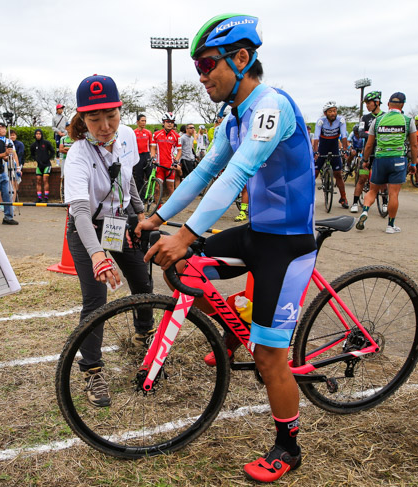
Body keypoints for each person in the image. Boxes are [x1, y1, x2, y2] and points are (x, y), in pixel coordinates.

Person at [137, 14, 316, 482]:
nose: (201, 77)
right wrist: (157, 217)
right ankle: (237, 328)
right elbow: (203, 173)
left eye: (207, 65)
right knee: (188, 271)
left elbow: (238, 172)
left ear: (242, 59)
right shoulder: (234, 116)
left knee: (270, 356)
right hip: (257, 232)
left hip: (288, 245)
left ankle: (288, 446)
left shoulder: (271, 107)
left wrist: (184, 233)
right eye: (196, 67)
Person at [64, 74, 153, 407]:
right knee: (96, 300)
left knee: (142, 282)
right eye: (94, 118)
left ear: (120, 110)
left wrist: (141, 214)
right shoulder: (77, 155)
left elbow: (127, 179)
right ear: (82, 118)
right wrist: (99, 255)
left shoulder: (128, 135)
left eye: (111, 115)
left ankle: (145, 335)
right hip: (87, 229)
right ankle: (92, 370)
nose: (104, 125)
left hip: (119, 224)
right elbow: (81, 212)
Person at [355, 92, 418, 234]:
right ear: (402, 105)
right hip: (398, 159)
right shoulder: (408, 120)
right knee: (393, 194)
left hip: (380, 159)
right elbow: (414, 145)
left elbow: (369, 144)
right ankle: (390, 225)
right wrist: (413, 164)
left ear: (388, 105)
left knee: (373, 190)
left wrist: (365, 161)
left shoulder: (378, 120)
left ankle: (365, 210)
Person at [351, 91, 384, 213]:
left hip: (381, 153)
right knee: (362, 178)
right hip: (368, 153)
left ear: (376, 102)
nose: (367, 106)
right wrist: (377, 134)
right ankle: (355, 202)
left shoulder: (385, 116)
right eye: (365, 103)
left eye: (369, 103)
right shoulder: (364, 118)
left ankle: (385, 203)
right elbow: (360, 133)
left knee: (382, 180)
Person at [313, 101, 350, 208]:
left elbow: (343, 135)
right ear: (325, 113)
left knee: (338, 173)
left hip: (334, 147)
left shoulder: (341, 120)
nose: (333, 113)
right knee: (315, 172)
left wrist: (344, 149)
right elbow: (316, 137)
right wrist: (315, 152)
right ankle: (307, 195)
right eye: (330, 111)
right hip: (323, 147)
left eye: (334, 111)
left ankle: (343, 198)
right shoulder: (320, 121)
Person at [151, 112, 182, 199]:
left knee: (170, 188)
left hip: (170, 166)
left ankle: (171, 210)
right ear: (163, 122)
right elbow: (153, 148)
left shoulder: (177, 136)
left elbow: (179, 151)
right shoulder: (156, 134)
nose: (169, 124)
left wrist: (176, 161)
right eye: (167, 121)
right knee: (157, 188)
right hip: (159, 165)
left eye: (172, 122)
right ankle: (157, 210)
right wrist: (152, 157)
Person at [30, 128, 55, 202]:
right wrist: (37, 160)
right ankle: (39, 198)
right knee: (38, 180)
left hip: (47, 165)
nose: (38, 135)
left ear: (41, 134)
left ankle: (46, 197)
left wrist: (48, 159)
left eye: (39, 134)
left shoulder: (46, 143)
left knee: (45, 179)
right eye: (37, 134)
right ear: (35, 135)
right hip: (39, 166)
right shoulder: (33, 145)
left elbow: (53, 152)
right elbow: (32, 155)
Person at [133, 114, 152, 192]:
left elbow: (151, 145)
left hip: (147, 155)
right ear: (137, 122)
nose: (144, 123)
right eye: (142, 121)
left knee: (150, 176)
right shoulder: (133, 132)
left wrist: (151, 156)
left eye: (145, 121)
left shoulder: (148, 133)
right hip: (138, 156)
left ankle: (151, 194)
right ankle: (141, 196)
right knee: (139, 177)